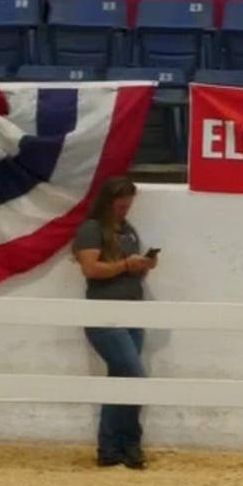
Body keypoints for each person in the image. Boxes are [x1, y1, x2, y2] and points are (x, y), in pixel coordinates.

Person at [71, 175, 156, 469]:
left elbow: (124, 270)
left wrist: (142, 266)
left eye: (127, 206)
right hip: (105, 313)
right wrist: (125, 265)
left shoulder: (127, 230)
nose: (125, 210)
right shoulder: (92, 229)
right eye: (120, 206)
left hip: (132, 310)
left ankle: (110, 447)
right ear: (108, 203)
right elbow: (91, 269)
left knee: (120, 379)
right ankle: (130, 443)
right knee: (133, 377)